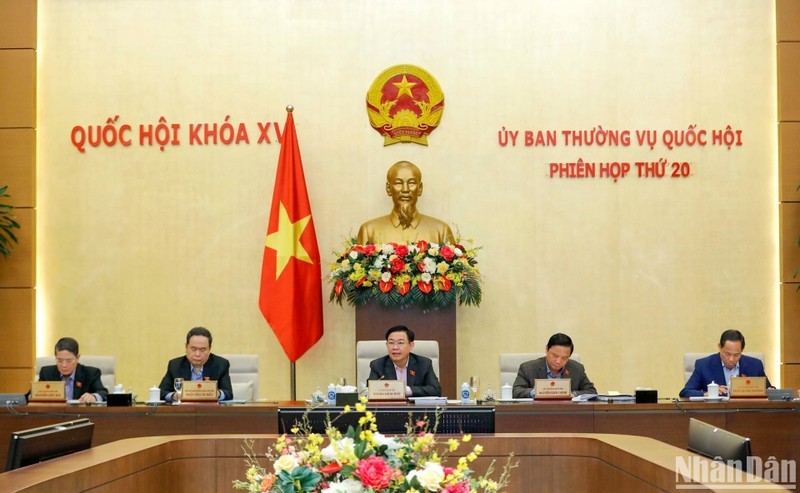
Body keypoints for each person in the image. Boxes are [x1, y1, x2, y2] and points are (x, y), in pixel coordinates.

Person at [356, 160, 455, 245]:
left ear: (420, 188)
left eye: (411, 183)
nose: (405, 189)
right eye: (398, 183)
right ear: (388, 188)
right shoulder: (369, 231)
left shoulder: (441, 231)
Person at [680, 329, 772, 398]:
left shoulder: (755, 365)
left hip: (747, 415)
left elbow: (769, 390)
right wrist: (708, 393)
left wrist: (771, 392)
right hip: (716, 415)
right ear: (720, 347)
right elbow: (686, 392)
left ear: (742, 351)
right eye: (727, 354)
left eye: (736, 355)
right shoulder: (704, 365)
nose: (731, 359)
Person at [159, 327, 233, 402]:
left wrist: (217, 394)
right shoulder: (175, 365)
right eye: (193, 349)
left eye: (202, 350)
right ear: (186, 347)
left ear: (209, 349)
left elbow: (228, 393)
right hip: (184, 411)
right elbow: (161, 392)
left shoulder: (221, 364)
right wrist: (174, 396)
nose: (197, 354)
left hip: (210, 411)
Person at [513, 333, 597, 398]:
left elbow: (591, 391)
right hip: (537, 414)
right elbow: (516, 391)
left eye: (564, 358)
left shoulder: (577, 369)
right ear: (546, 349)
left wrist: (573, 394)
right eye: (555, 355)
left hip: (567, 414)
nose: (558, 361)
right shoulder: (528, 368)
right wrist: (537, 392)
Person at [367, 325, 442, 397]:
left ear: (411, 345)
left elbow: (436, 390)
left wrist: (406, 390)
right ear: (386, 345)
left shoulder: (424, 364)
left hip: (416, 409)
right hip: (390, 409)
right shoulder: (377, 365)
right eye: (391, 343)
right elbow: (370, 391)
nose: (395, 347)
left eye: (400, 343)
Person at [37, 337, 108, 403]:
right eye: (60, 360)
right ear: (55, 357)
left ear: (77, 357)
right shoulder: (46, 373)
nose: (64, 365)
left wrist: (94, 397)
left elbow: (103, 393)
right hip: (53, 415)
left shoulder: (90, 373)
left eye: (69, 361)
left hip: (80, 415)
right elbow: (33, 394)